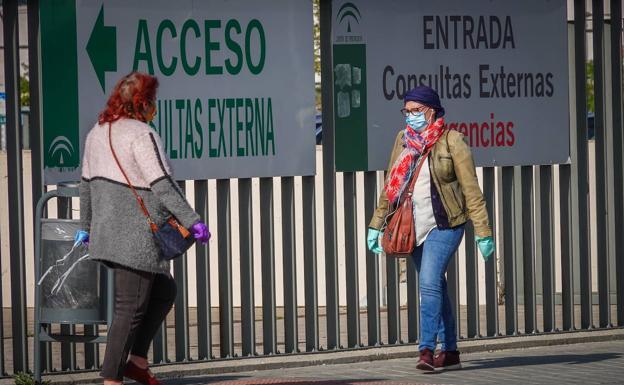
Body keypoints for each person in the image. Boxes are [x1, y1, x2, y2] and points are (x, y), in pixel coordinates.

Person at [76, 72, 210, 385]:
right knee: (130, 308)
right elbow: (162, 184)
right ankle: (112, 379)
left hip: (108, 232)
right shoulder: (141, 134)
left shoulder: (97, 132)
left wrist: (86, 226)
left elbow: (85, 185)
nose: (154, 107)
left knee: (164, 290)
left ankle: (136, 361)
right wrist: (193, 221)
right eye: (153, 101)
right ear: (144, 102)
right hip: (135, 235)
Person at [366, 86, 494, 372]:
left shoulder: (452, 141)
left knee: (427, 283)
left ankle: (426, 349)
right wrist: (376, 224)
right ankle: (450, 353)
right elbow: (392, 186)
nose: (410, 116)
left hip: (446, 225)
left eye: (416, 111)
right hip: (413, 227)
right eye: (407, 111)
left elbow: (471, 190)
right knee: (436, 284)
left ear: (431, 110)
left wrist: (483, 232)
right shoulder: (403, 140)